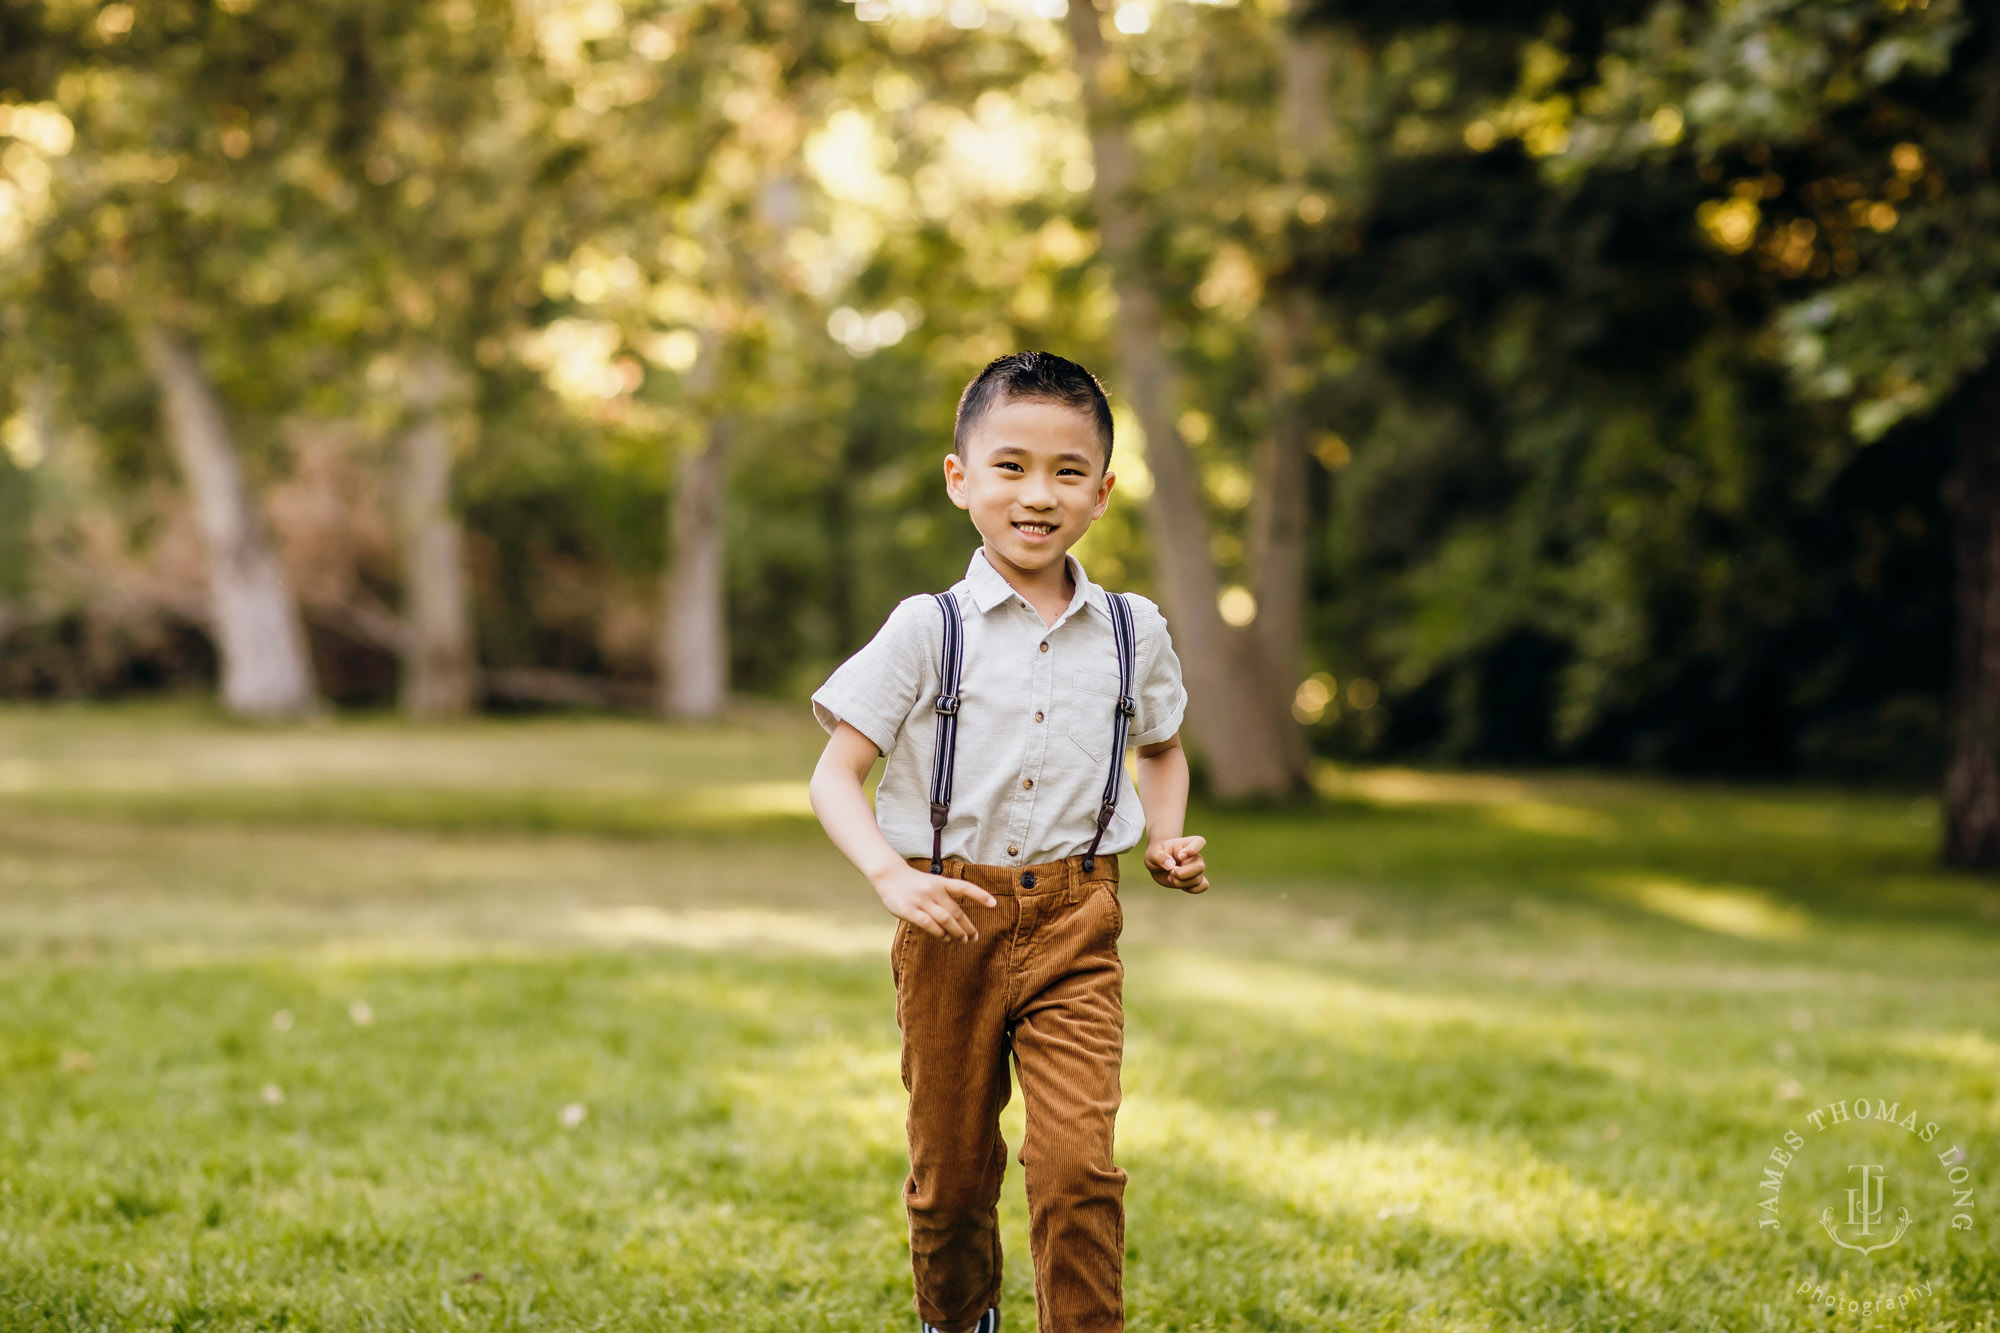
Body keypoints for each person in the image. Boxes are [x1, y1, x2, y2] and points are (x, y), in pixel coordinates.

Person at [807, 350, 1210, 1333]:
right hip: (950, 919)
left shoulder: (1130, 629)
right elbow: (833, 774)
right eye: (1010, 466)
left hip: (1078, 918)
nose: (1038, 494)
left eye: (1067, 472)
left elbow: (1160, 748)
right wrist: (887, 874)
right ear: (960, 479)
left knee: (1077, 1164)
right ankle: (957, 1321)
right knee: (948, 1178)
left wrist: (1162, 834)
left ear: (1102, 492)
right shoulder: (926, 630)